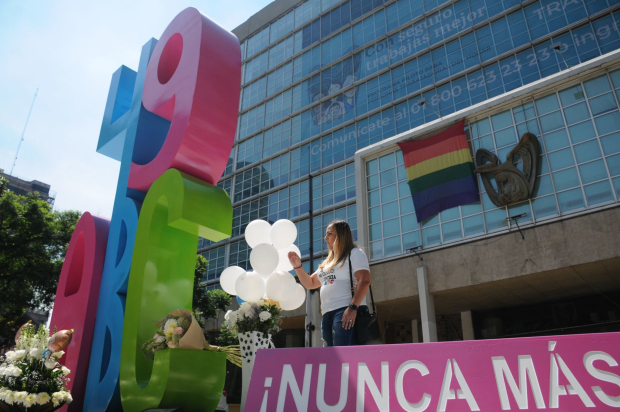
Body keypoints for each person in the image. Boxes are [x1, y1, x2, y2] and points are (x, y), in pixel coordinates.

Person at [288, 220, 371, 346]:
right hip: (327, 314)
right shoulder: (328, 263)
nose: (325, 237)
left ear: (340, 236)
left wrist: (353, 307)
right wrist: (298, 267)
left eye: (329, 234)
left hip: (345, 310)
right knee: (331, 356)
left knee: (344, 355)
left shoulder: (354, 253)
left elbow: (364, 280)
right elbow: (310, 283)